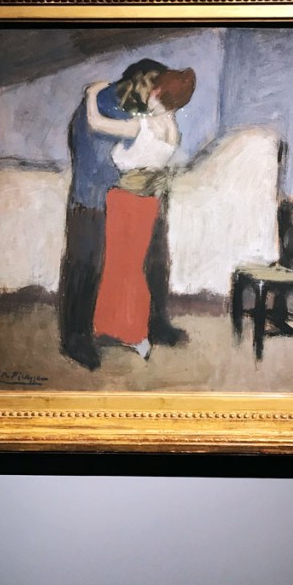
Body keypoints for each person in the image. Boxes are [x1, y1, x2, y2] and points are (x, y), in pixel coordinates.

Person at [58, 59, 187, 370]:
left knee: (153, 259)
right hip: (94, 198)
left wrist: (148, 182)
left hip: (132, 197)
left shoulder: (141, 110)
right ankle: (77, 338)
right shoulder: (107, 104)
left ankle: (155, 323)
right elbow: (96, 158)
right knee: (87, 264)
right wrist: (135, 182)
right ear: (139, 80)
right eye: (153, 85)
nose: (155, 93)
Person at [85, 68, 196, 360]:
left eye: (153, 89)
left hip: (125, 200)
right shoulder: (173, 130)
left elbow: (95, 122)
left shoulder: (143, 126)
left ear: (159, 93)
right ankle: (120, 329)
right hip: (147, 202)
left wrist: (92, 93)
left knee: (121, 267)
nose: (148, 93)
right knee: (131, 266)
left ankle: (134, 333)